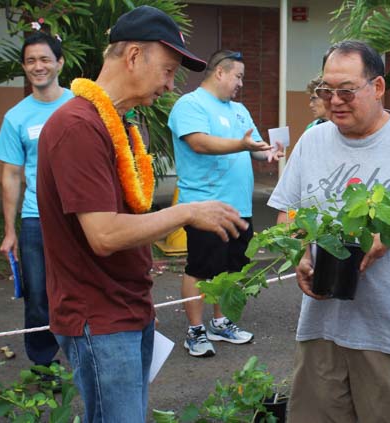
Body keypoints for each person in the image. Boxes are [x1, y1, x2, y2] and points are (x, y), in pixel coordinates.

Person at [36, 6, 249, 422]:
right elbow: (105, 234)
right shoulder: (78, 125)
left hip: (127, 308)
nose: (170, 85)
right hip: (98, 317)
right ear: (133, 56)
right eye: (168, 71)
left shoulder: (118, 122)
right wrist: (187, 211)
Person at [268, 40, 390, 422]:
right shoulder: (313, 140)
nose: (334, 100)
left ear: (377, 88)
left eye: (346, 91)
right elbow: (289, 213)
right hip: (320, 328)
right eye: (326, 91)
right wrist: (299, 252)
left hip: (388, 334)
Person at [168, 50, 283, 358]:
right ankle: (195, 331)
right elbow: (199, 143)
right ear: (220, 72)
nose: (241, 84)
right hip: (204, 206)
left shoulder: (240, 110)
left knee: (232, 268)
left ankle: (220, 322)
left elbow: (254, 147)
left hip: (239, 207)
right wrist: (241, 145)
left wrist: (268, 152)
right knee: (201, 268)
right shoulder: (189, 105)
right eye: (238, 76)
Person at [0, 32, 73, 371]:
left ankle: (83, 351)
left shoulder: (80, 106)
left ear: (59, 62)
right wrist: (10, 231)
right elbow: (11, 176)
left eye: (45, 59)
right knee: (39, 297)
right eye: (31, 61)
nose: (38, 66)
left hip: (80, 216)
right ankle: (44, 364)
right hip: (35, 220)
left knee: (80, 288)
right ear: (24, 67)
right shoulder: (16, 117)